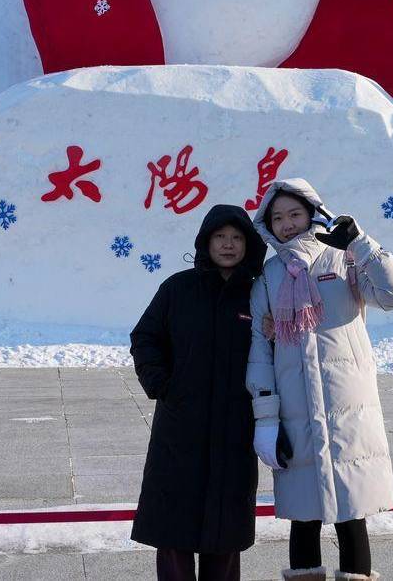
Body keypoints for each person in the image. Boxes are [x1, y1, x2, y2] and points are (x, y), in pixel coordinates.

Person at [248, 179, 393, 581]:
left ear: (313, 214)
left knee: (352, 515)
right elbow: (259, 350)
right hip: (296, 412)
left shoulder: (344, 259)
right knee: (303, 519)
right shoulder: (268, 276)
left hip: (348, 409)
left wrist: (361, 243)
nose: (287, 223)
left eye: (295, 214)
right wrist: (266, 420)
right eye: (278, 218)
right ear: (268, 225)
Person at [130, 204, 268, 581]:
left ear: (248, 244)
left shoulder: (258, 294)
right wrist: (161, 384)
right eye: (220, 237)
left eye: (236, 237)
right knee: (173, 530)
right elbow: (145, 337)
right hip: (180, 428)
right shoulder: (178, 288)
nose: (228, 244)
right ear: (206, 242)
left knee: (225, 535)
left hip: (235, 428)